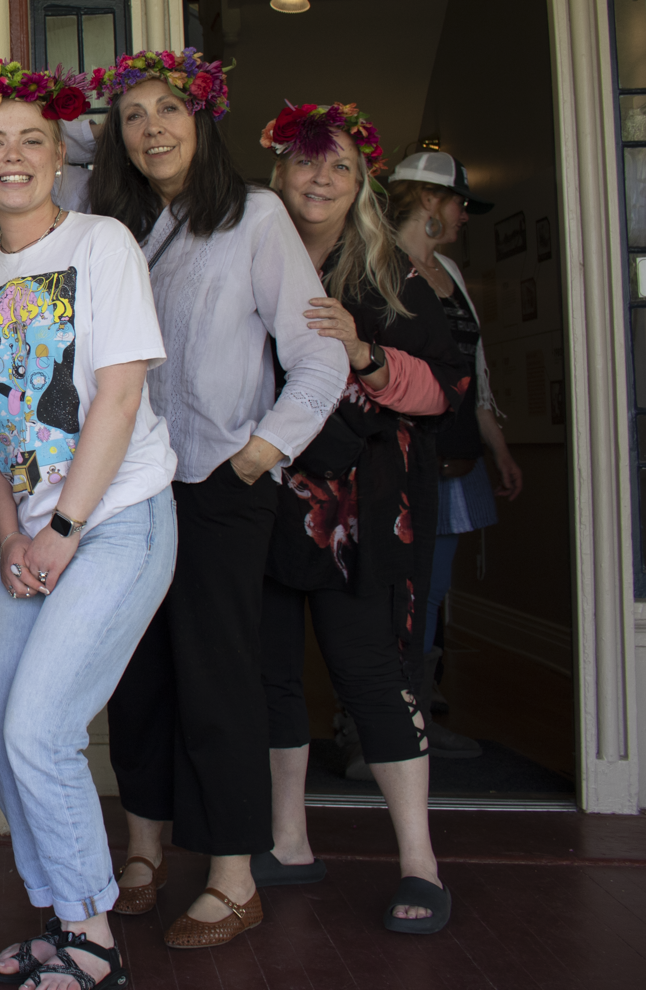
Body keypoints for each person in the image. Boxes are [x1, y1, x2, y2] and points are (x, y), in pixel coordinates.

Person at [89, 50, 346, 950]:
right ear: (115, 136)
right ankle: (144, 850)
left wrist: (264, 450)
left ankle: (235, 875)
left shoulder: (256, 217)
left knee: (215, 673)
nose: (153, 127)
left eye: (170, 109)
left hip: (215, 481)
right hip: (125, 487)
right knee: (136, 674)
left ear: (203, 121)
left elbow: (318, 352)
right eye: (133, 115)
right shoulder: (106, 227)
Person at [0, 64, 178, 990]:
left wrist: (65, 527)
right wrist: (9, 536)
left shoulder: (101, 243)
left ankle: (93, 938)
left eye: (31, 139)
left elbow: (119, 396)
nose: (13, 156)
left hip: (116, 520)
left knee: (42, 727)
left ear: (59, 157)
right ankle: (60, 908)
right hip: (32, 535)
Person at [253, 105, 469, 936]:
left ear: (361, 182)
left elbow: (444, 392)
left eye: (338, 167)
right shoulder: (252, 259)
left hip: (362, 512)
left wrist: (366, 354)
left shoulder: (393, 274)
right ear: (278, 176)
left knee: (371, 674)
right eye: (306, 166)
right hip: (265, 498)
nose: (319, 180)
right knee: (272, 673)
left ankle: (420, 860)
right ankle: (288, 838)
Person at [386, 149, 523, 748]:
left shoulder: (453, 274)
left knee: (435, 587)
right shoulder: (381, 266)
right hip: (399, 453)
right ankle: (379, 712)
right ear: (427, 200)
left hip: (455, 453)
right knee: (395, 585)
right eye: (459, 203)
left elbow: (477, 369)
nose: (465, 216)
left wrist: (500, 447)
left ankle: (421, 696)